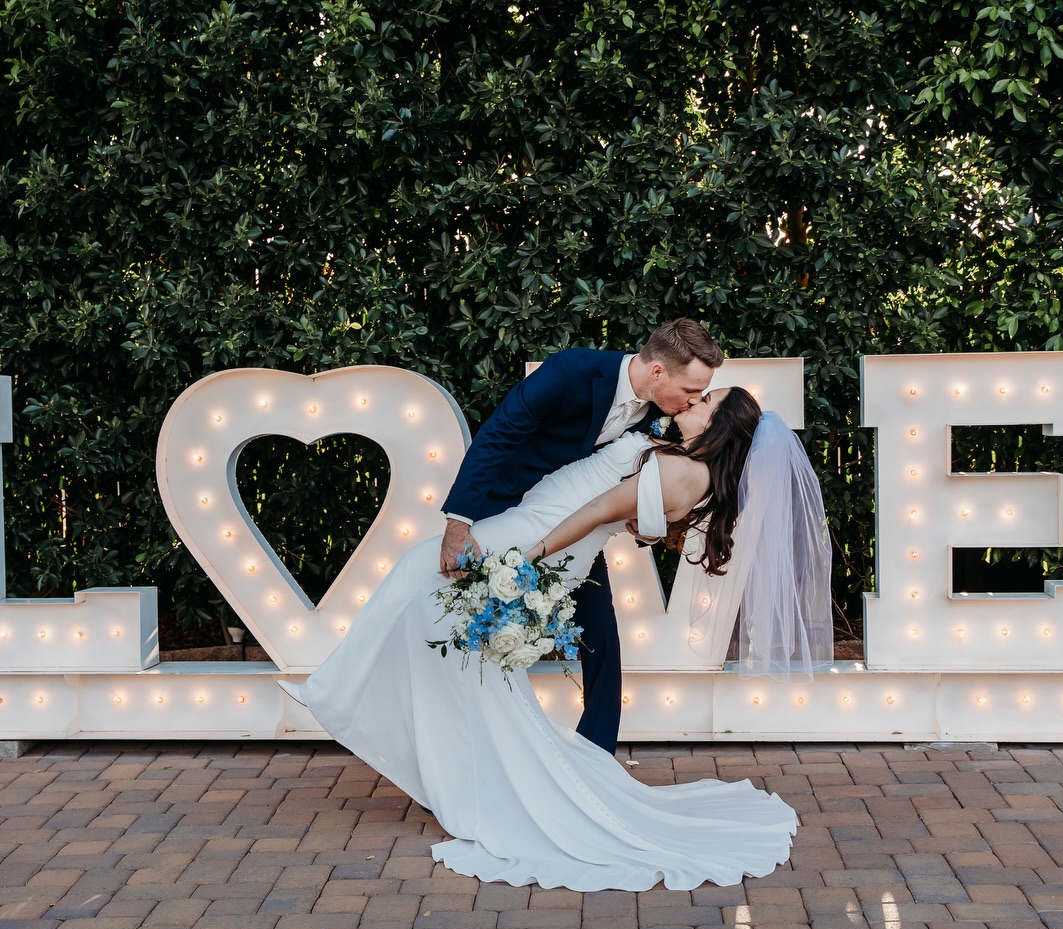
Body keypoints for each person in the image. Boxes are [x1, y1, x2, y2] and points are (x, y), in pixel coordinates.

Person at [280, 385, 833, 891]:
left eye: (707, 401)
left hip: (537, 536)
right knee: (470, 659)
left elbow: (596, 509)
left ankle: (339, 695)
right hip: (546, 533)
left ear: (721, 425)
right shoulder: (689, 467)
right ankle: (459, 779)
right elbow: (640, 517)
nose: (694, 400)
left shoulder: (678, 470)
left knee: (422, 581)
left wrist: (529, 557)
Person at [438, 318, 724, 754]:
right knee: (474, 627)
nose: (694, 400)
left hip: (576, 533)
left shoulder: (663, 417)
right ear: (658, 371)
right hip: (511, 515)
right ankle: (468, 745)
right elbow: (499, 434)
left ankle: (597, 756)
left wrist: (646, 526)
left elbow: (642, 490)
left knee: (601, 635)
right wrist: (459, 523)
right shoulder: (572, 370)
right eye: (691, 389)